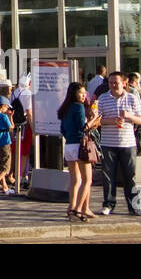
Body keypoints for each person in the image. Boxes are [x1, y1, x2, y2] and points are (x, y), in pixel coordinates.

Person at [97, 71, 141, 216]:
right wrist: (111, 121)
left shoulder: (132, 98)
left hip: (128, 143)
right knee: (108, 176)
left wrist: (129, 116)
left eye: (116, 82)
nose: (113, 85)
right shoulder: (103, 98)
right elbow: (97, 120)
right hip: (108, 142)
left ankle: (135, 206)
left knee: (130, 175)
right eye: (111, 82)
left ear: (124, 83)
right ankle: (108, 204)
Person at [59, 81, 99, 221]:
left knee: (75, 179)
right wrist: (94, 119)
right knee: (87, 180)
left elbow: (63, 129)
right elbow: (84, 127)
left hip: (69, 145)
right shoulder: (78, 107)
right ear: (74, 94)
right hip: (80, 145)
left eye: (84, 93)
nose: (83, 96)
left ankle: (72, 207)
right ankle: (78, 209)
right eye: (80, 93)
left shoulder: (66, 108)